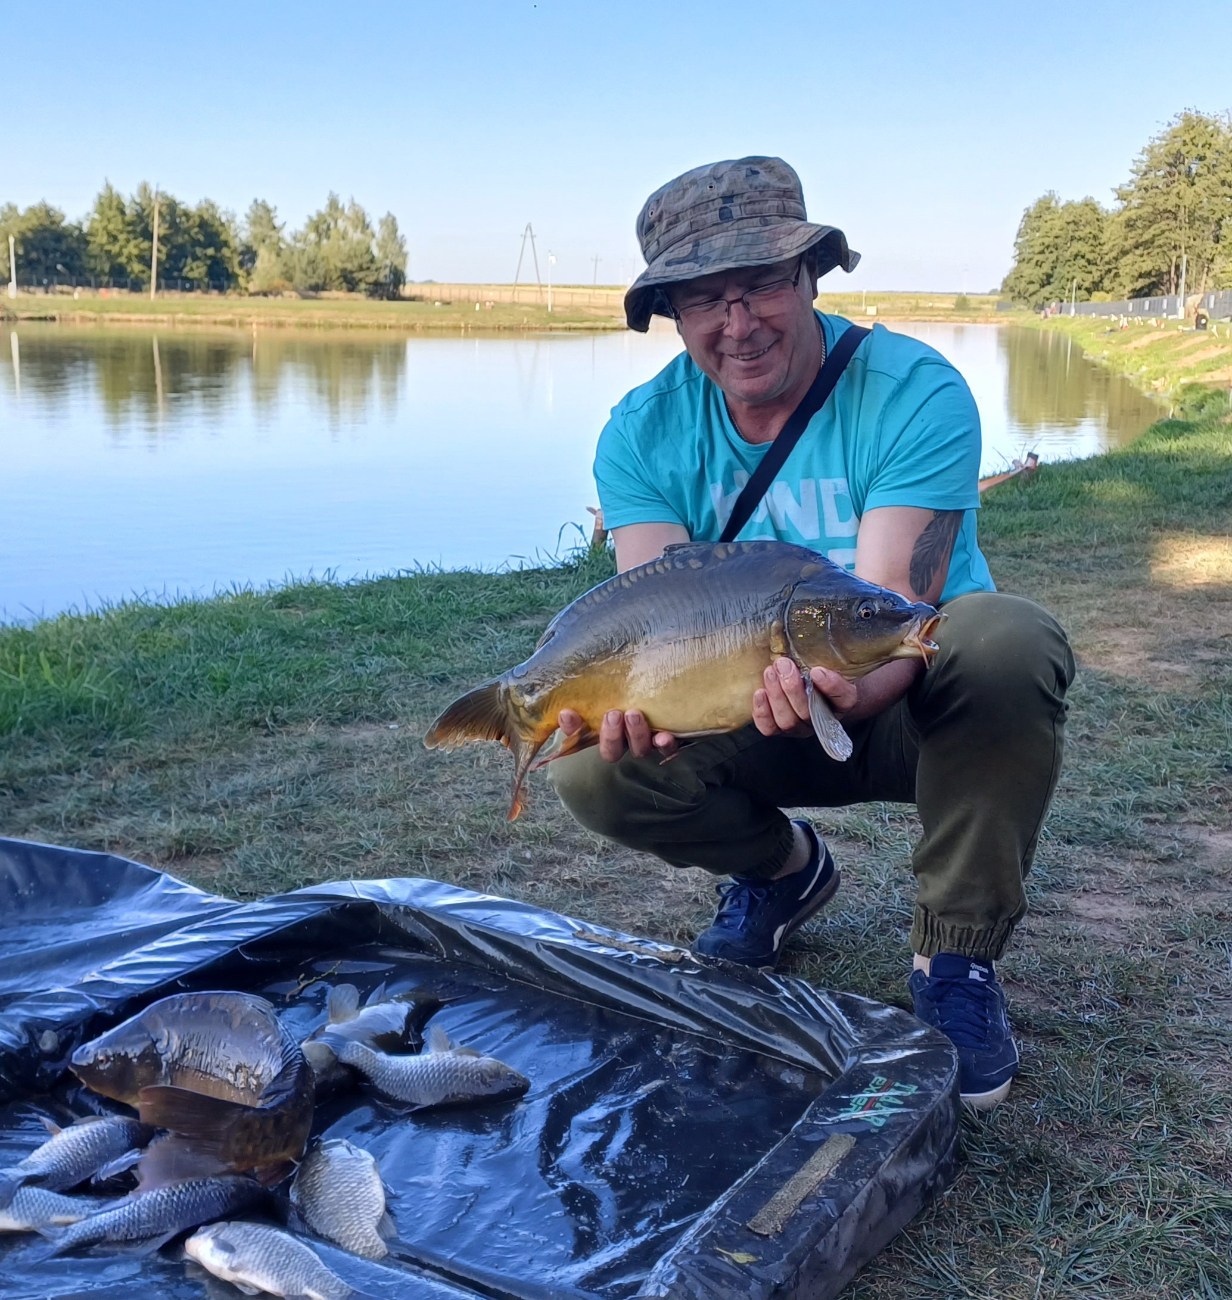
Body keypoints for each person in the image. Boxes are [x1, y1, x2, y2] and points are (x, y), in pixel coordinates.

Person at [548, 157, 1075, 1109]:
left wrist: (832, 692)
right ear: (671, 313)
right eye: (704, 299)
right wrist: (631, 710)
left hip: (916, 707)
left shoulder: (914, 390)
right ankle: (780, 873)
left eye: (758, 286)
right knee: (589, 762)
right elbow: (648, 620)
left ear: (811, 276)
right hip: (737, 706)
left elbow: (889, 614)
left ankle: (953, 959)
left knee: (1004, 638)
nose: (736, 323)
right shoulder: (641, 433)